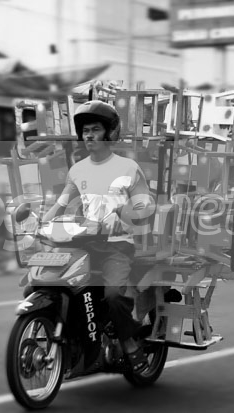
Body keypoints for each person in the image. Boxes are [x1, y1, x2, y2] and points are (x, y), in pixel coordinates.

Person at [42, 100, 156, 373]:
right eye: (85, 131)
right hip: (83, 243)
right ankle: (69, 340)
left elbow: (145, 204)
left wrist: (123, 214)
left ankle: (129, 342)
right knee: (47, 285)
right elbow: (61, 204)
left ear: (109, 133)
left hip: (117, 246)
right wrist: (40, 222)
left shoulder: (128, 167)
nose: (89, 136)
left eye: (95, 129)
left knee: (114, 296)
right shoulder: (77, 170)